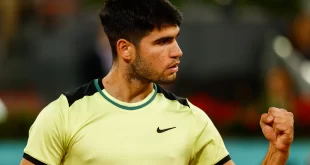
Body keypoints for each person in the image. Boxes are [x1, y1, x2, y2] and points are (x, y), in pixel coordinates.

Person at [20, 0, 294, 165]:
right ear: (125, 49)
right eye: (162, 42)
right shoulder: (63, 114)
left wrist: (277, 151)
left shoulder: (191, 119)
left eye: (175, 38)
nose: (177, 51)